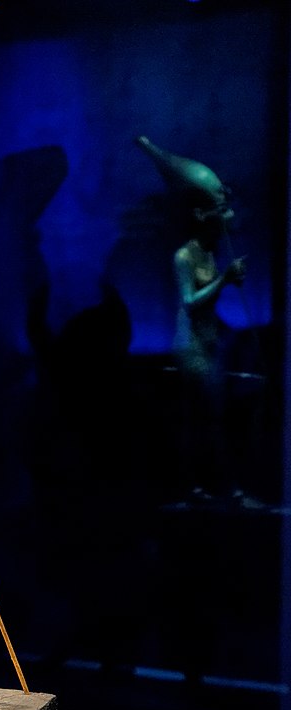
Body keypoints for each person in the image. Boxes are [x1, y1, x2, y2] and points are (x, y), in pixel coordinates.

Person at [136, 137, 248, 503]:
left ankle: (205, 486)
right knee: (208, 418)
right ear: (199, 214)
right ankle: (217, 487)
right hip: (191, 348)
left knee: (205, 418)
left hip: (208, 344)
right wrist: (224, 280)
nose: (225, 213)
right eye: (218, 207)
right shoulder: (184, 257)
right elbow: (189, 302)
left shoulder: (210, 252)